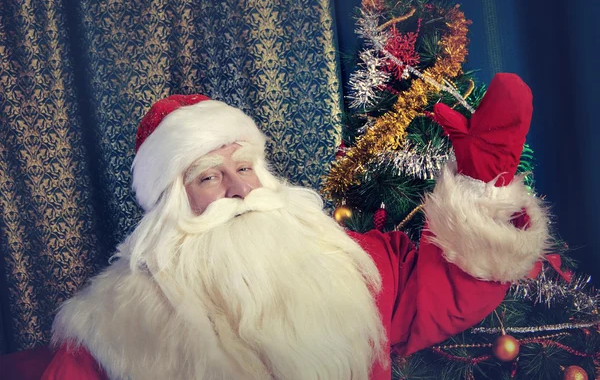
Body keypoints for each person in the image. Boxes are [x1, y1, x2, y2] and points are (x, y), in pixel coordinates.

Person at [40, 73, 549, 380]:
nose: (239, 190)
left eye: (245, 169)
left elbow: (453, 293)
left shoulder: (343, 260)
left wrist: (484, 189)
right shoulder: (110, 327)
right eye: (209, 177)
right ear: (172, 203)